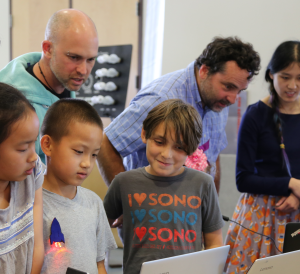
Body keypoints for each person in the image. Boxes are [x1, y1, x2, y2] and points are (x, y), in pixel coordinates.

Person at [98, 36, 261, 194]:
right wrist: (126, 204)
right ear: (204, 70)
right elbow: (106, 143)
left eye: (239, 91)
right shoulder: (161, 98)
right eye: (228, 87)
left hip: (188, 213)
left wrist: (210, 209)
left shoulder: (219, 102)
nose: (233, 99)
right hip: (148, 212)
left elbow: (212, 156)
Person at [104, 99, 224, 274]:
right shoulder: (124, 182)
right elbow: (98, 234)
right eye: (159, 142)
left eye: (179, 147)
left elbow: (214, 244)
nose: (167, 154)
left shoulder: (203, 184)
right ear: (144, 134)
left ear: (191, 149)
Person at [224, 41, 300, 274]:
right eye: (285, 77)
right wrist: (290, 184)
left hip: (298, 209)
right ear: (271, 74)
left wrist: (298, 193)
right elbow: (243, 179)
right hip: (262, 216)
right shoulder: (256, 114)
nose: (292, 85)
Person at [36, 99, 117, 274]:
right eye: (79, 152)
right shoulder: (33, 204)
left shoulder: (94, 203)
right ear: (48, 145)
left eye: (94, 155)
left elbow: (100, 265)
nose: (86, 163)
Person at [0, 9, 99, 162]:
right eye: (74, 57)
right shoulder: (9, 104)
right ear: (48, 49)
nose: (83, 70)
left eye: (90, 59)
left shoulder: (65, 85)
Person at [0, 83, 44, 274]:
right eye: (22, 148)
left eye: (34, 142)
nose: (34, 155)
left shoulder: (32, 173)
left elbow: (36, 246)